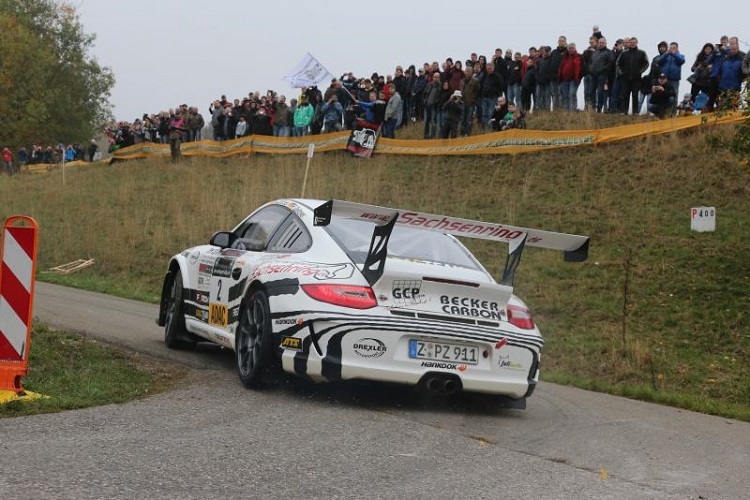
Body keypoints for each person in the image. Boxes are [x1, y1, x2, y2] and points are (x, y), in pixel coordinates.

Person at [616, 37, 649, 114]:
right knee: (625, 95)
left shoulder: (642, 53)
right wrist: (621, 73)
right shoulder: (624, 53)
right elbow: (618, 63)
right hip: (625, 78)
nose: (632, 43)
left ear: (637, 43)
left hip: (636, 79)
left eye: (634, 42)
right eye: (631, 42)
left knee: (635, 96)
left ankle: (635, 112)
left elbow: (646, 63)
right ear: (629, 43)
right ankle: (624, 111)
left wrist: (640, 72)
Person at [558, 43, 583, 111]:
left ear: (575, 48)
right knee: (565, 96)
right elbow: (561, 67)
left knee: (572, 94)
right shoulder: (564, 57)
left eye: (572, 48)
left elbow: (580, 68)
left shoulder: (578, 56)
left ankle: (573, 109)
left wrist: (578, 77)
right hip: (564, 80)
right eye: (569, 48)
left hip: (574, 80)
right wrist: (560, 78)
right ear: (568, 49)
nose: (571, 49)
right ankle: (567, 110)